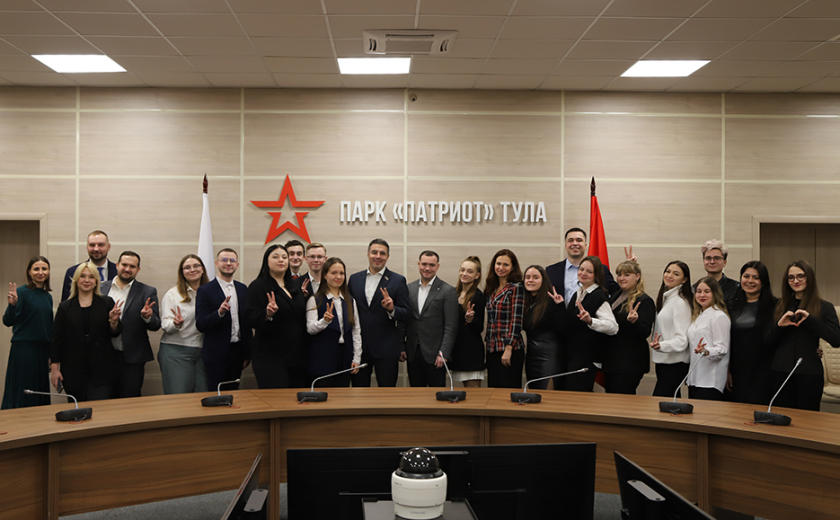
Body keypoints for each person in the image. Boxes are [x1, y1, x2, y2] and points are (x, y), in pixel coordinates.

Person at [767, 260, 840, 411]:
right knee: (782, 418)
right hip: (780, 372)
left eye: (801, 276)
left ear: (809, 278)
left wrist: (811, 320)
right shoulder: (779, 305)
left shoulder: (825, 307)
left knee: (808, 420)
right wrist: (779, 326)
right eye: (791, 277)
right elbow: (767, 341)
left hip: (810, 373)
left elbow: (836, 339)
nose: (796, 281)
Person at [50, 262, 122, 402]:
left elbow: (115, 332)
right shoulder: (65, 307)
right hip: (73, 370)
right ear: (76, 280)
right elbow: (57, 340)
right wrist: (54, 369)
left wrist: (113, 321)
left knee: (99, 408)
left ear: (96, 281)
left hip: (102, 369)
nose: (87, 280)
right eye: (82, 276)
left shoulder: (106, 303)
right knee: (78, 410)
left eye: (91, 277)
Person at [348, 238, 410, 387]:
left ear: (387, 256)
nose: (378, 256)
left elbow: (406, 313)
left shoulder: (398, 280)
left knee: (387, 393)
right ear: (368, 254)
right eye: (374, 252)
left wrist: (392, 309)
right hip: (360, 348)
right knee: (358, 391)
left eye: (382, 253)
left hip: (387, 348)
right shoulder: (354, 279)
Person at [244, 245, 308, 388]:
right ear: (266, 261)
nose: (281, 260)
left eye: (284, 257)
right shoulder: (258, 286)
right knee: (277, 398)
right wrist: (267, 314)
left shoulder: (294, 286)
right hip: (270, 357)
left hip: (296, 355)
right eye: (275, 257)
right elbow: (249, 318)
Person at [101, 251, 160, 398]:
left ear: (138, 269)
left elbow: (156, 324)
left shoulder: (147, 291)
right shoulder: (101, 288)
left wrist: (147, 317)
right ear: (117, 265)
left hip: (132, 359)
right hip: (103, 357)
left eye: (132, 266)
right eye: (124, 265)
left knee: (130, 402)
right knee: (103, 401)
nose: (127, 269)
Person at [195, 248, 252, 392]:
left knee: (233, 392)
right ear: (216, 263)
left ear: (237, 265)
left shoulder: (242, 289)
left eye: (232, 261)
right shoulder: (205, 290)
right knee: (216, 393)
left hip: (238, 352)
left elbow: (246, 323)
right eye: (224, 260)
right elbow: (201, 324)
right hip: (215, 354)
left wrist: (247, 353)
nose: (228, 263)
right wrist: (219, 313)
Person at [2, 256, 53, 409]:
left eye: (44, 269)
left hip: (42, 350)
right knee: (24, 390)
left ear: (48, 272)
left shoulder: (47, 296)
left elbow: (48, 327)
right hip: (24, 350)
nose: (40, 272)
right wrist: (12, 305)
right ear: (29, 272)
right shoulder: (21, 292)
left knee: (38, 392)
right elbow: (7, 321)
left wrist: (51, 354)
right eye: (36, 269)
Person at [563, 255, 618, 392]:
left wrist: (591, 321)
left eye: (589, 271)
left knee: (579, 398)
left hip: (587, 358)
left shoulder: (599, 295)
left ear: (596, 275)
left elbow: (613, 327)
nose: (583, 273)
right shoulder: (578, 293)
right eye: (581, 269)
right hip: (573, 356)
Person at [405, 251, 459, 387]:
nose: (427, 268)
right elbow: (404, 320)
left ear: (437, 266)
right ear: (419, 264)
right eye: (424, 264)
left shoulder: (447, 291)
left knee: (436, 395)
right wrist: (401, 347)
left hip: (436, 355)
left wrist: (443, 353)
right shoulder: (409, 288)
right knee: (416, 395)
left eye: (432, 265)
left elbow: (451, 326)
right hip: (413, 353)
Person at [726, 261, 777, 405]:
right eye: (746, 276)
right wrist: (727, 370)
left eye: (756, 277)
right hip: (737, 369)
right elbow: (727, 340)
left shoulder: (775, 305)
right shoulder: (731, 305)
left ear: (764, 281)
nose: (750, 281)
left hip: (764, 369)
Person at [305, 258, 361, 387]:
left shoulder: (350, 300)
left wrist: (357, 358)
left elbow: (356, 331)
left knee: (342, 394)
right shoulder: (315, 299)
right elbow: (310, 329)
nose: (338, 277)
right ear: (325, 275)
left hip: (345, 356)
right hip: (322, 357)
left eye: (341, 273)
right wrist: (324, 321)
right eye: (333, 273)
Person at [158, 254, 210, 395]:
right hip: (176, 352)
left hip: (204, 352)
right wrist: (176, 324)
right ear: (182, 272)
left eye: (196, 266)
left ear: (203, 269)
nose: (192, 270)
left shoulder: (211, 292)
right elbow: (165, 324)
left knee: (203, 396)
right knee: (179, 397)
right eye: (187, 267)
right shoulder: (173, 294)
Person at [604, 260, 655, 395]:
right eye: (619, 275)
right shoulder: (616, 295)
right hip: (612, 360)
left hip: (629, 363)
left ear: (637, 276)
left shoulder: (644, 300)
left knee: (622, 400)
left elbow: (645, 332)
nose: (621, 278)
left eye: (627, 275)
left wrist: (634, 321)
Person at [650, 261, 693, 398]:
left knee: (660, 402)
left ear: (684, 280)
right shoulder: (667, 299)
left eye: (676, 274)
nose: (669, 276)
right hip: (665, 362)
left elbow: (682, 340)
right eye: (668, 271)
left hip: (675, 363)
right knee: (671, 404)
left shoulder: (680, 302)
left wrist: (661, 345)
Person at [484, 249, 525, 389]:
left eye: (505, 265)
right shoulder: (492, 288)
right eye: (498, 264)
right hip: (492, 348)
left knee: (507, 393)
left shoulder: (516, 287)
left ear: (512, 267)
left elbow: (516, 320)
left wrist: (509, 348)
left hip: (509, 349)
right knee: (493, 393)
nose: (501, 268)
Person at [546, 227, 618, 306]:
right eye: (570, 240)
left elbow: (617, 292)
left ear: (585, 245)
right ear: (566, 246)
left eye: (579, 240)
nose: (575, 243)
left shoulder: (601, 269)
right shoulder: (551, 271)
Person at [686, 277, 731, 401]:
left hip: (710, 380)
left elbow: (722, 348)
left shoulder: (719, 316)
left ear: (715, 293)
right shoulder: (698, 316)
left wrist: (706, 351)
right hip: (694, 378)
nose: (702, 295)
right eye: (699, 291)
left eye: (707, 291)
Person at [522, 265, 565, 390]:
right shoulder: (528, 302)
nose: (531, 280)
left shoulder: (551, 301)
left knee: (547, 395)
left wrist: (560, 306)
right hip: (531, 356)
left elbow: (565, 329)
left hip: (549, 356)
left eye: (535, 277)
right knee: (534, 393)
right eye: (527, 277)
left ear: (543, 280)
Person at [450, 257, 486, 388]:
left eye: (470, 271)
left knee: (474, 392)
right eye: (462, 270)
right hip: (456, 350)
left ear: (477, 275)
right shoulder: (453, 293)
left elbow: (480, 327)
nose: (464, 274)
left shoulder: (478, 296)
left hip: (471, 351)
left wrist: (470, 320)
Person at [61, 230, 117, 302]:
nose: (96, 249)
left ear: (108, 247)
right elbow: (65, 303)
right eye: (92, 245)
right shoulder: (72, 272)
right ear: (87, 247)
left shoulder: (118, 272)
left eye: (100, 245)